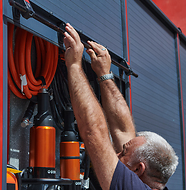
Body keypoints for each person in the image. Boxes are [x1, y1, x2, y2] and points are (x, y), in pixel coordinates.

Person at [63, 23, 178, 190]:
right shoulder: (144, 180)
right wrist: (105, 75)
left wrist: (74, 65)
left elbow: (94, 132)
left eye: (123, 153)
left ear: (138, 169)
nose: (116, 153)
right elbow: (123, 130)